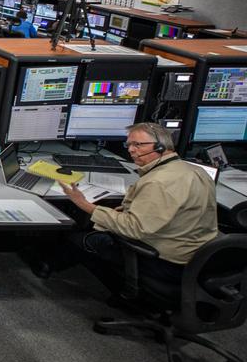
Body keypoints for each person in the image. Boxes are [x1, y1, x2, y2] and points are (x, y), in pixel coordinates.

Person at [59, 122, 217, 291]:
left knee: (79, 239)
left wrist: (83, 204)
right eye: (129, 144)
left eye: (138, 145)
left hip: (166, 262)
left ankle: (125, 296)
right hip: (198, 257)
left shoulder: (158, 182)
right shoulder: (193, 170)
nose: (131, 150)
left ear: (161, 147)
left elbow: (134, 229)